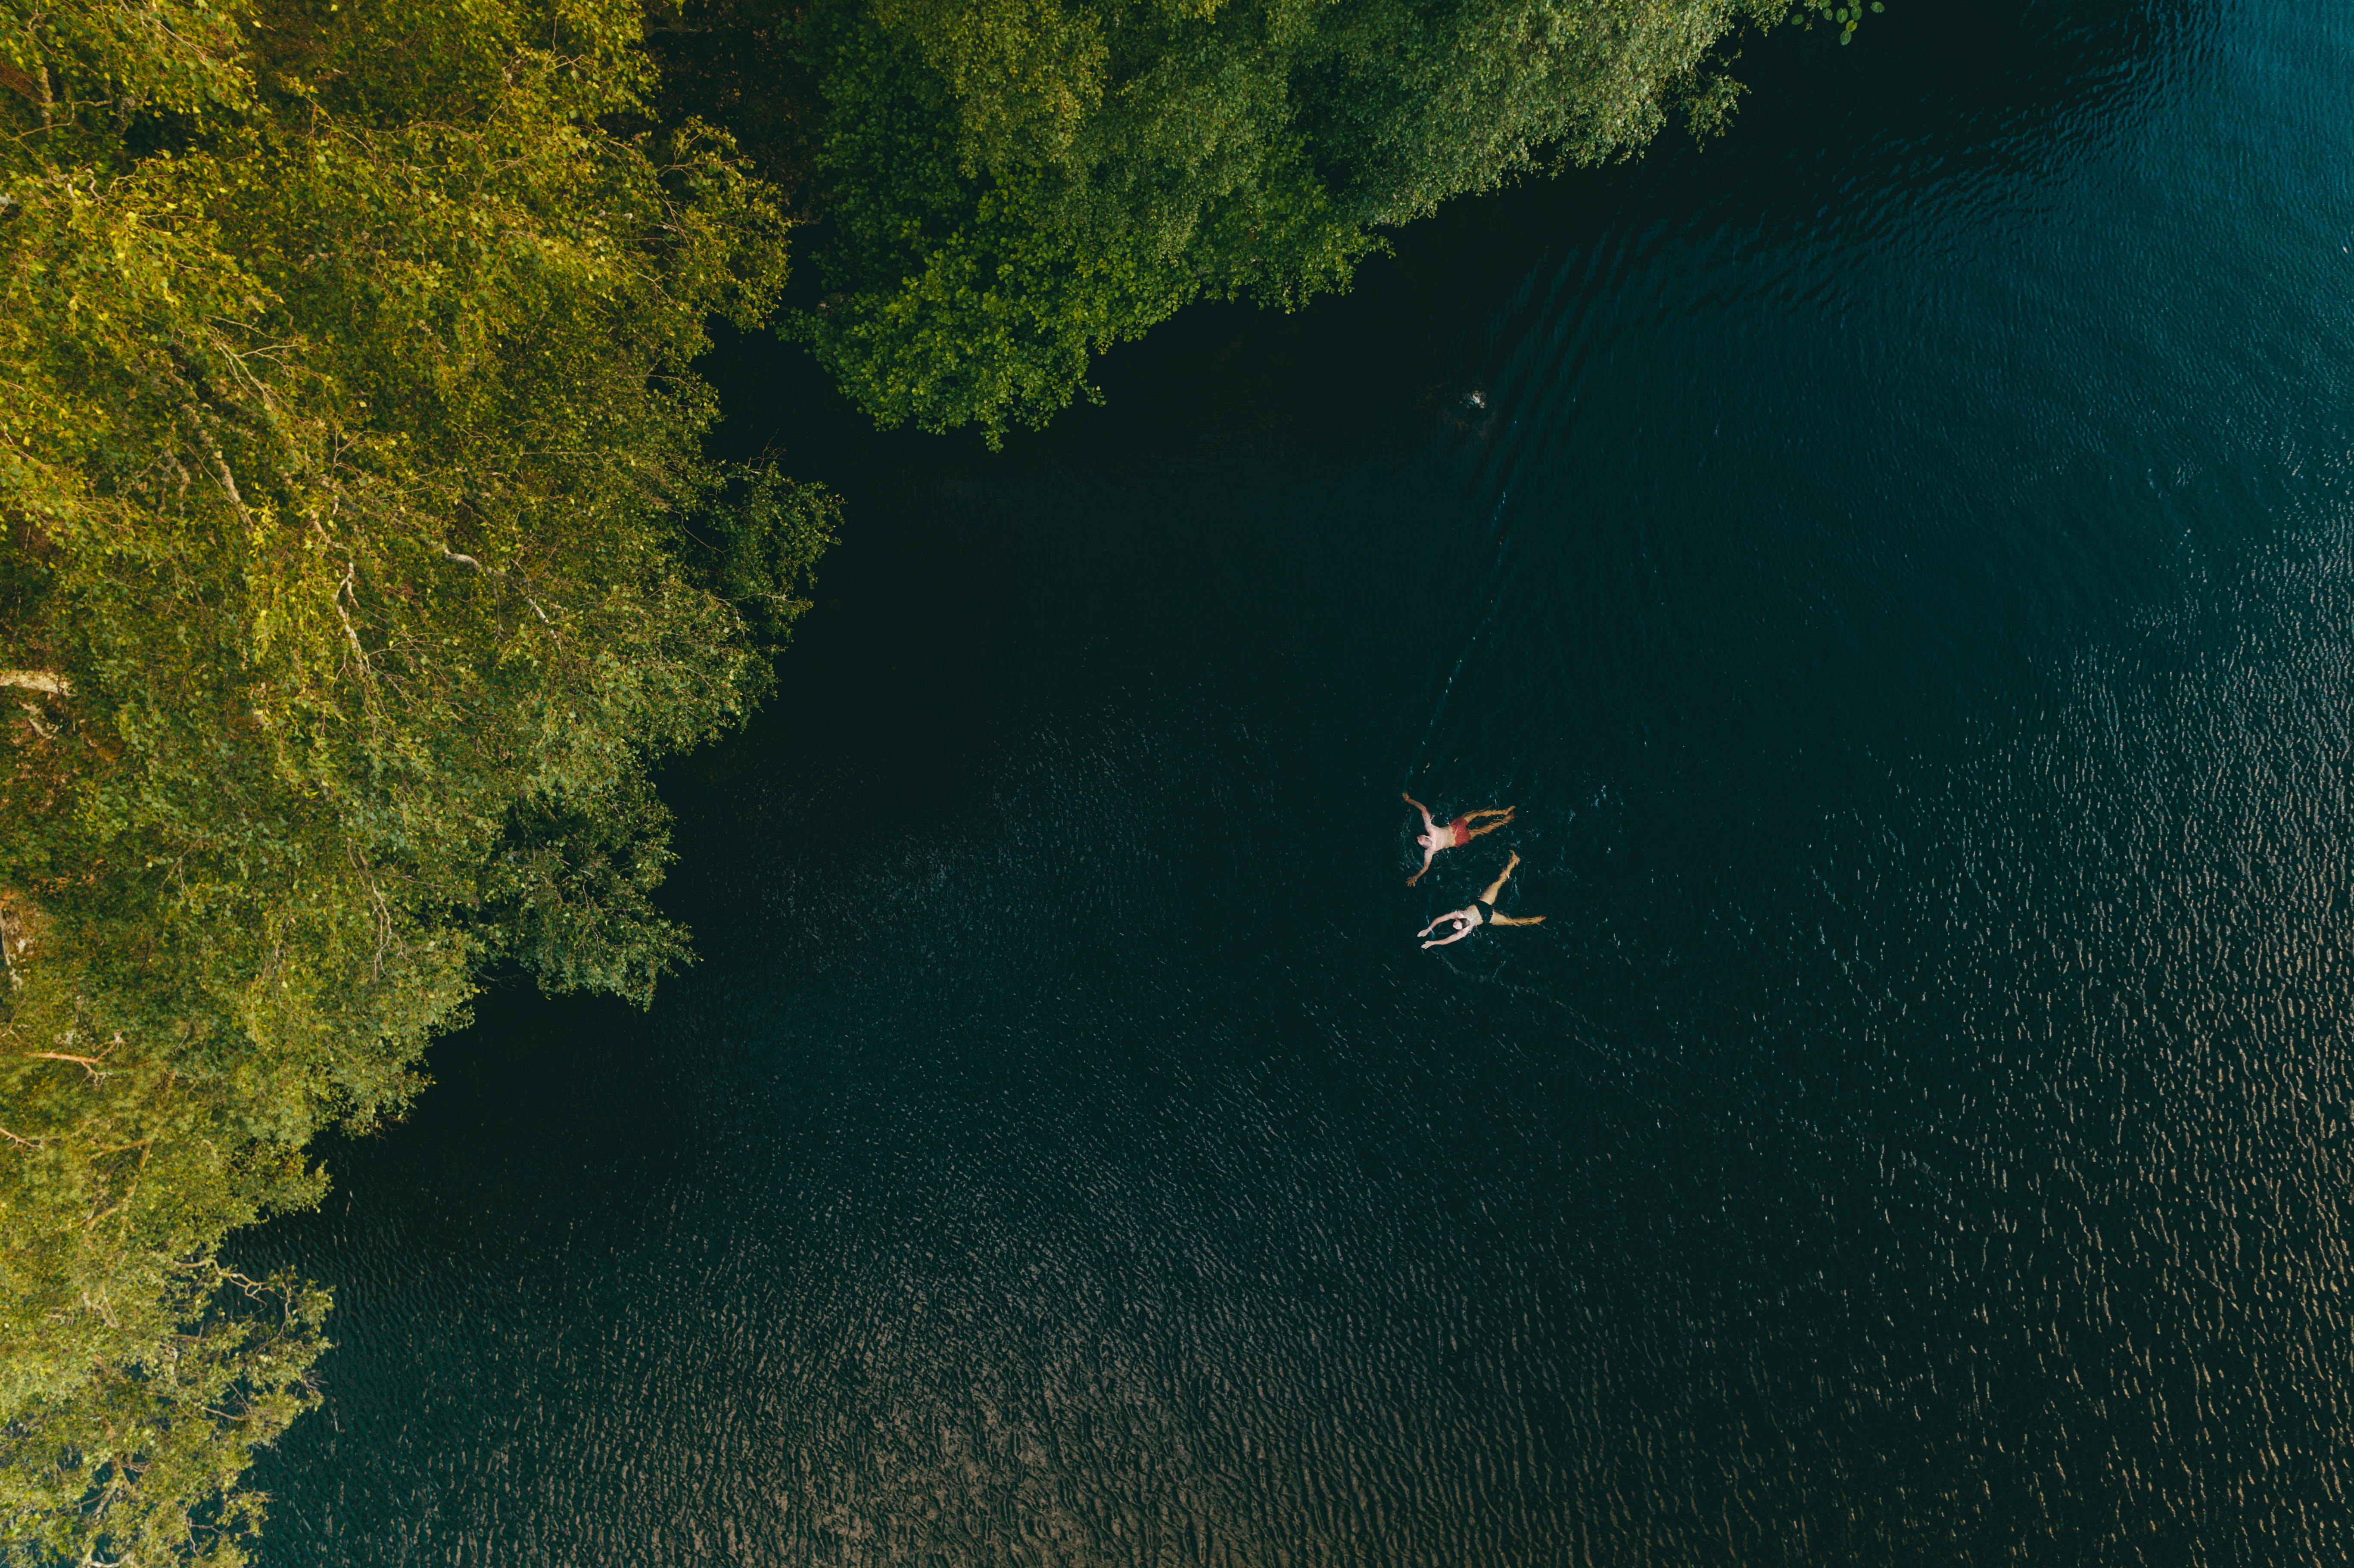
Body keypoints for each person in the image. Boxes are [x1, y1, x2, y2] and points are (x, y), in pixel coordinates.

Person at [1419, 852, 1545, 948]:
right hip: (1485, 913)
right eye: (1457, 925)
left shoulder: (1462, 923)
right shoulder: (1462, 923)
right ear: (1459, 920)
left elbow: (1445, 931)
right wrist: (1430, 933)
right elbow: (1443, 928)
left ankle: (1513, 862)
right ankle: (1535, 920)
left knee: (1500, 887)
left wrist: (1431, 938)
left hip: (1483, 908)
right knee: (1511, 919)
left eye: (1456, 925)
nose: (1455, 925)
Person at [1402, 792, 1515, 886]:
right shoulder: (1430, 829)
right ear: (1427, 836)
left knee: (1481, 830)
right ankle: (1503, 812)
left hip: (1458, 840)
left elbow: (1425, 868)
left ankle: (1506, 820)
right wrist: (1409, 800)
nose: (1418, 837)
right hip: (1455, 828)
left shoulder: (1430, 852)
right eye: (1419, 838)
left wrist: (1415, 877)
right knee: (1475, 814)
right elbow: (1423, 809)